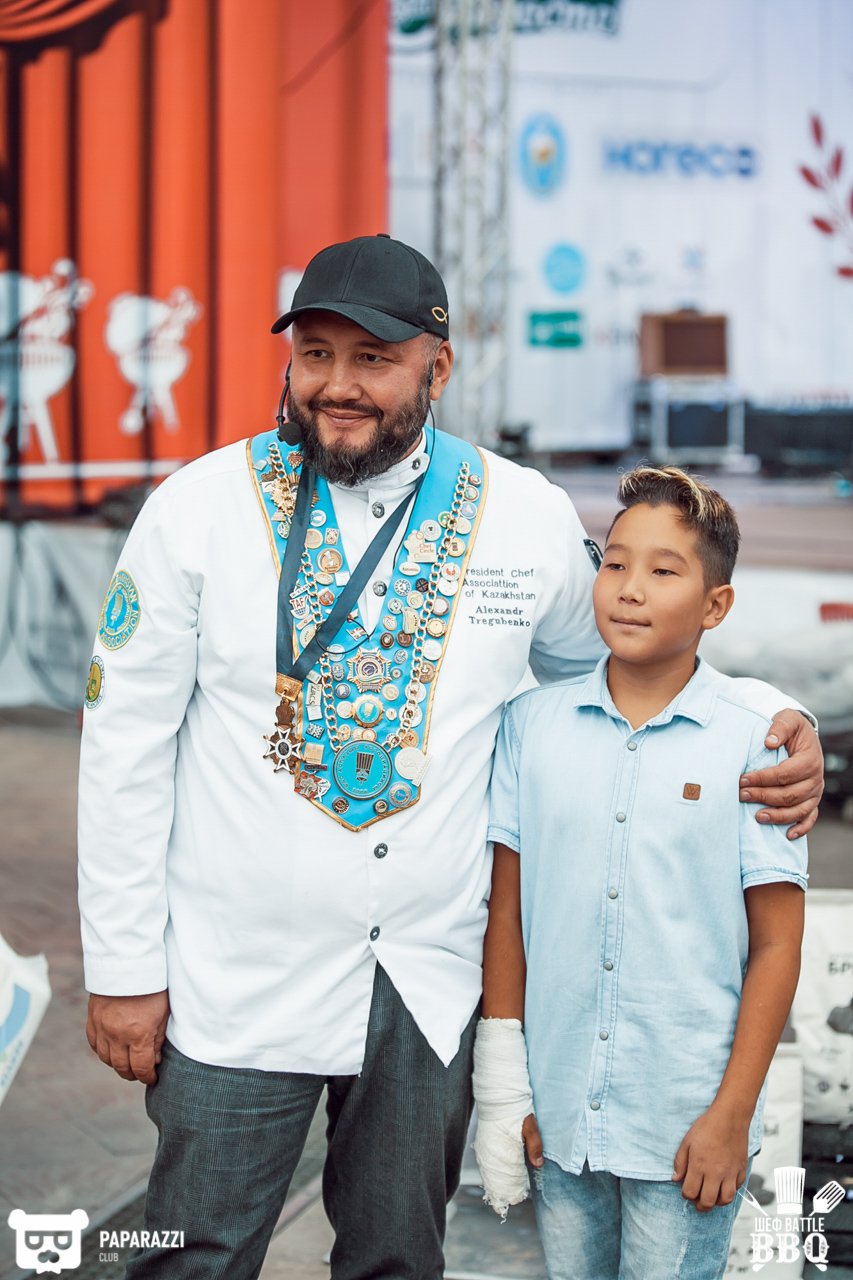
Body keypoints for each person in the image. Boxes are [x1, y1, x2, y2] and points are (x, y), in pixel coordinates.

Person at [77, 236, 822, 1280]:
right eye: (315, 354)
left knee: (396, 1260)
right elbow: (123, 743)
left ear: (438, 366)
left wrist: (769, 713)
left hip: (426, 980)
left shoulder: (520, 514)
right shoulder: (198, 508)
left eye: (373, 359)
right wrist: (123, 970)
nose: (338, 385)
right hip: (229, 973)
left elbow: (630, 660)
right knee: (193, 1258)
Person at [472, 466, 808, 1280]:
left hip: (687, 1122)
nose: (628, 589)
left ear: (714, 606)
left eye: (663, 571)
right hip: (560, 1114)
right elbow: (506, 916)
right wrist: (509, 1087)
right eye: (615, 564)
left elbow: (775, 945)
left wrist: (731, 1116)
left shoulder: (755, 740)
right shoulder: (529, 727)